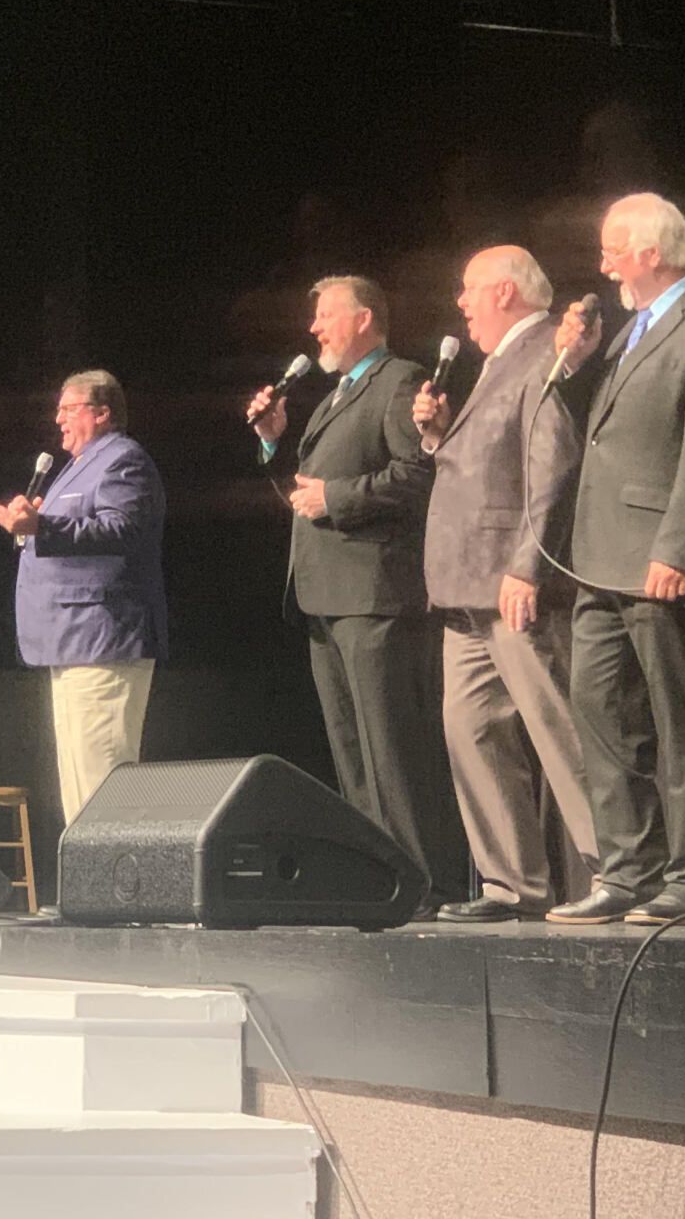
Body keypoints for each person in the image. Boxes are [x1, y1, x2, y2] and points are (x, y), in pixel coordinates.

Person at [546, 193, 685, 926]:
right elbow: (605, 434)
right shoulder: (628, 332)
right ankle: (628, 873)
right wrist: (576, 366)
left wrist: (679, 547)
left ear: (652, 251)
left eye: (613, 247)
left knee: (682, 724)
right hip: (599, 557)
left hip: (660, 559)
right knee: (603, 716)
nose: (603, 262)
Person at [246, 275, 464, 903]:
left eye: (326, 316)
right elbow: (303, 500)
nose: (314, 328)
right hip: (326, 598)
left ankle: (424, 883)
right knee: (353, 756)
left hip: (375, 597)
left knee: (392, 751)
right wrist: (272, 442)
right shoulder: (335, 397)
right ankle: (380, 881)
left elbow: (419, 473)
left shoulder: (398, 381)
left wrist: (335, 497)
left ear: (364, 319)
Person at [412, 245, 598, 922]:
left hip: (511, 584)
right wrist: (438, 437)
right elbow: (488, 462)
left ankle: (614, 873)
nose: (461, 303)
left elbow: (552, 467)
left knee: (559, 732)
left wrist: (529, 564)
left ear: (505, 292)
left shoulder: (546, 350)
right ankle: (512, 886)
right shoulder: (498, 361)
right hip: (465, 590)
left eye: (469, 289)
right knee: (472, 734)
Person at [0, 369, 167, 824]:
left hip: (102, 640)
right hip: (70, 641)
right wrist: (32, 526)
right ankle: (93, 870)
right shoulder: (78, 466)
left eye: (69, 409)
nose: (58, 418)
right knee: (81, 787)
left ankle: (112, 871)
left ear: (102, 413)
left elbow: (122, 529)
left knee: (102, 780)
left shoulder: (123, 460)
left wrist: (43, 526)